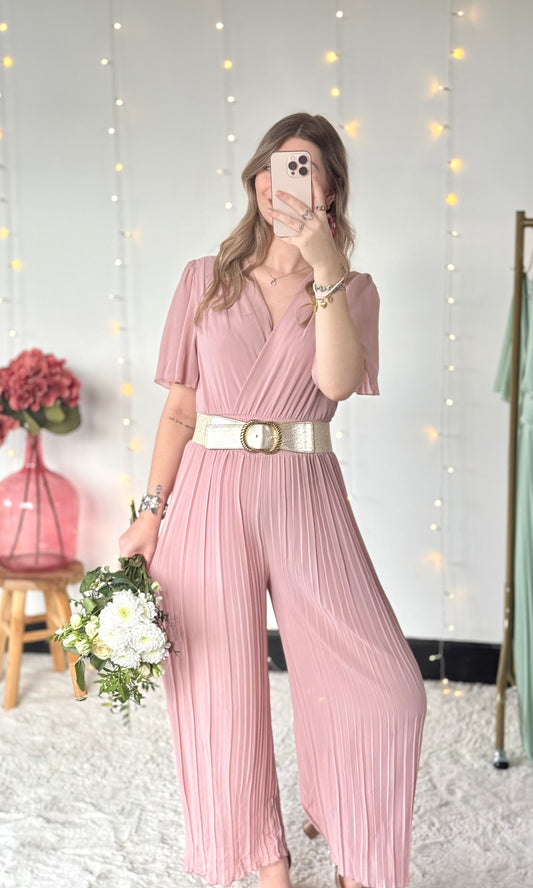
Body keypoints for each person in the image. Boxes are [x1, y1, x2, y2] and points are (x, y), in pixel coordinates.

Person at [119, 112, 427, 888]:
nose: (276, 182)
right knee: (216, 690)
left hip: (305, 491)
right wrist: (150, 512)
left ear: (329, 190)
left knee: (388, 688)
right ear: (253, 179)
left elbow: (333, 383)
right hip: (209, 493)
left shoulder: (353, 288)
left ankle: (359, 853)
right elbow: (181, 411)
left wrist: (324, 267)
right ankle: (265, 861)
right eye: (269, 166)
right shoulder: (203, 278)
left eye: (300, 168)